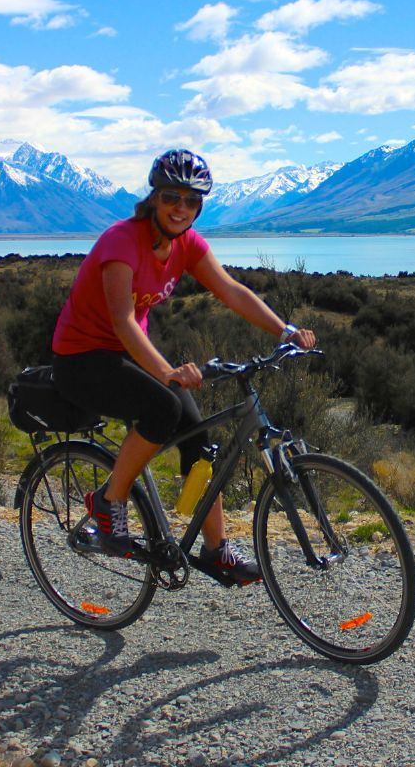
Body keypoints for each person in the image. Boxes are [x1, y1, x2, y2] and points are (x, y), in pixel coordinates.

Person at [50, 148, 316, 587]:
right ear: (154, 197)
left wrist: (283, 330)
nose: (181, 208)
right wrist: (167, 371)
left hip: (126, 353)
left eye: (192, 201)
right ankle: (107, 500)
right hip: (81, 358)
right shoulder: (122, 240)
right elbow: (121, 321)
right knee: (162, 409)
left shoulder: (186, 244)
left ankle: (216, 553)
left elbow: (231, 290)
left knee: (199, 439)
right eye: (173, 197)